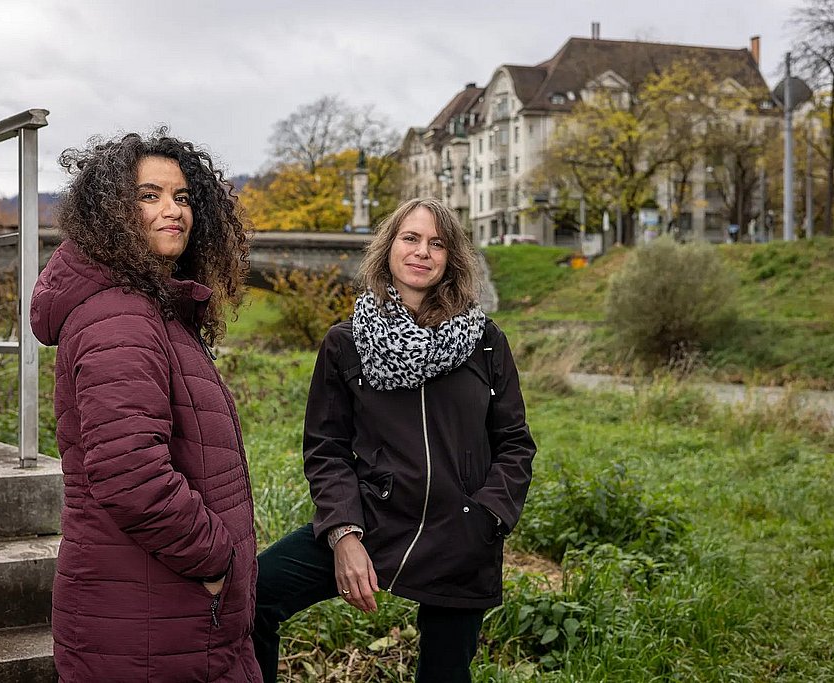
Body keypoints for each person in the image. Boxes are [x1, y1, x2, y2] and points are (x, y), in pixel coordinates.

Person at [252, 198, 537, 682]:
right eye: (410, 238)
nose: (422, 251)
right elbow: (326, 448)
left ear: (451, 258)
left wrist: (486, 516)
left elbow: (514, 444)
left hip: (459, 534)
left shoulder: (486, 340)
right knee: (252, 597)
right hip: (372, 518)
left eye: (437, 242)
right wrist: (343, 532)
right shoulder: (346, 342)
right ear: (388, 248)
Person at [30, 129, 262, 682]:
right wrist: (215, 558)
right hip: (154, 615)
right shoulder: (122, 316)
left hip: (165, 613)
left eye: (182, 197)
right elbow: (129, 473)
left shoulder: (148, 309)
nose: (172, 210)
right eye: (149, 195)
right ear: (111, 210)